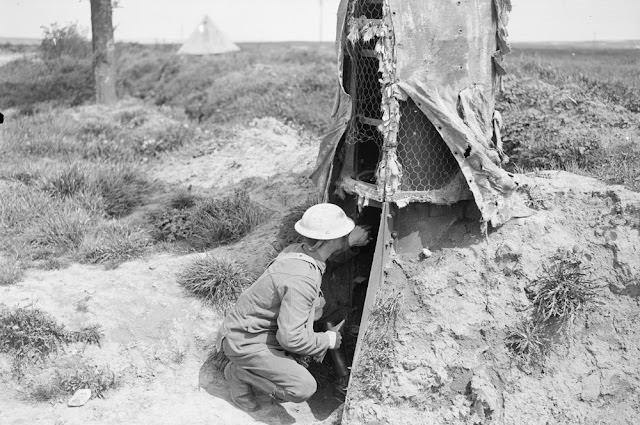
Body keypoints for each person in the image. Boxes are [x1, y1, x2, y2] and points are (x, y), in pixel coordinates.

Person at [217, 203, 371, 411]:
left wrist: (349, 244)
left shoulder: (298, 252)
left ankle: (257, 366)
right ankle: (238, 373)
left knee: (321, 306)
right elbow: (291, 338)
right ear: (332, 239)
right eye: (344, 234)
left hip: (254, 329)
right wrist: (327, 340)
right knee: (302, 388)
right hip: (245, 342)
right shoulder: (302, 280)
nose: (348, 235)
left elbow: (325, 261)